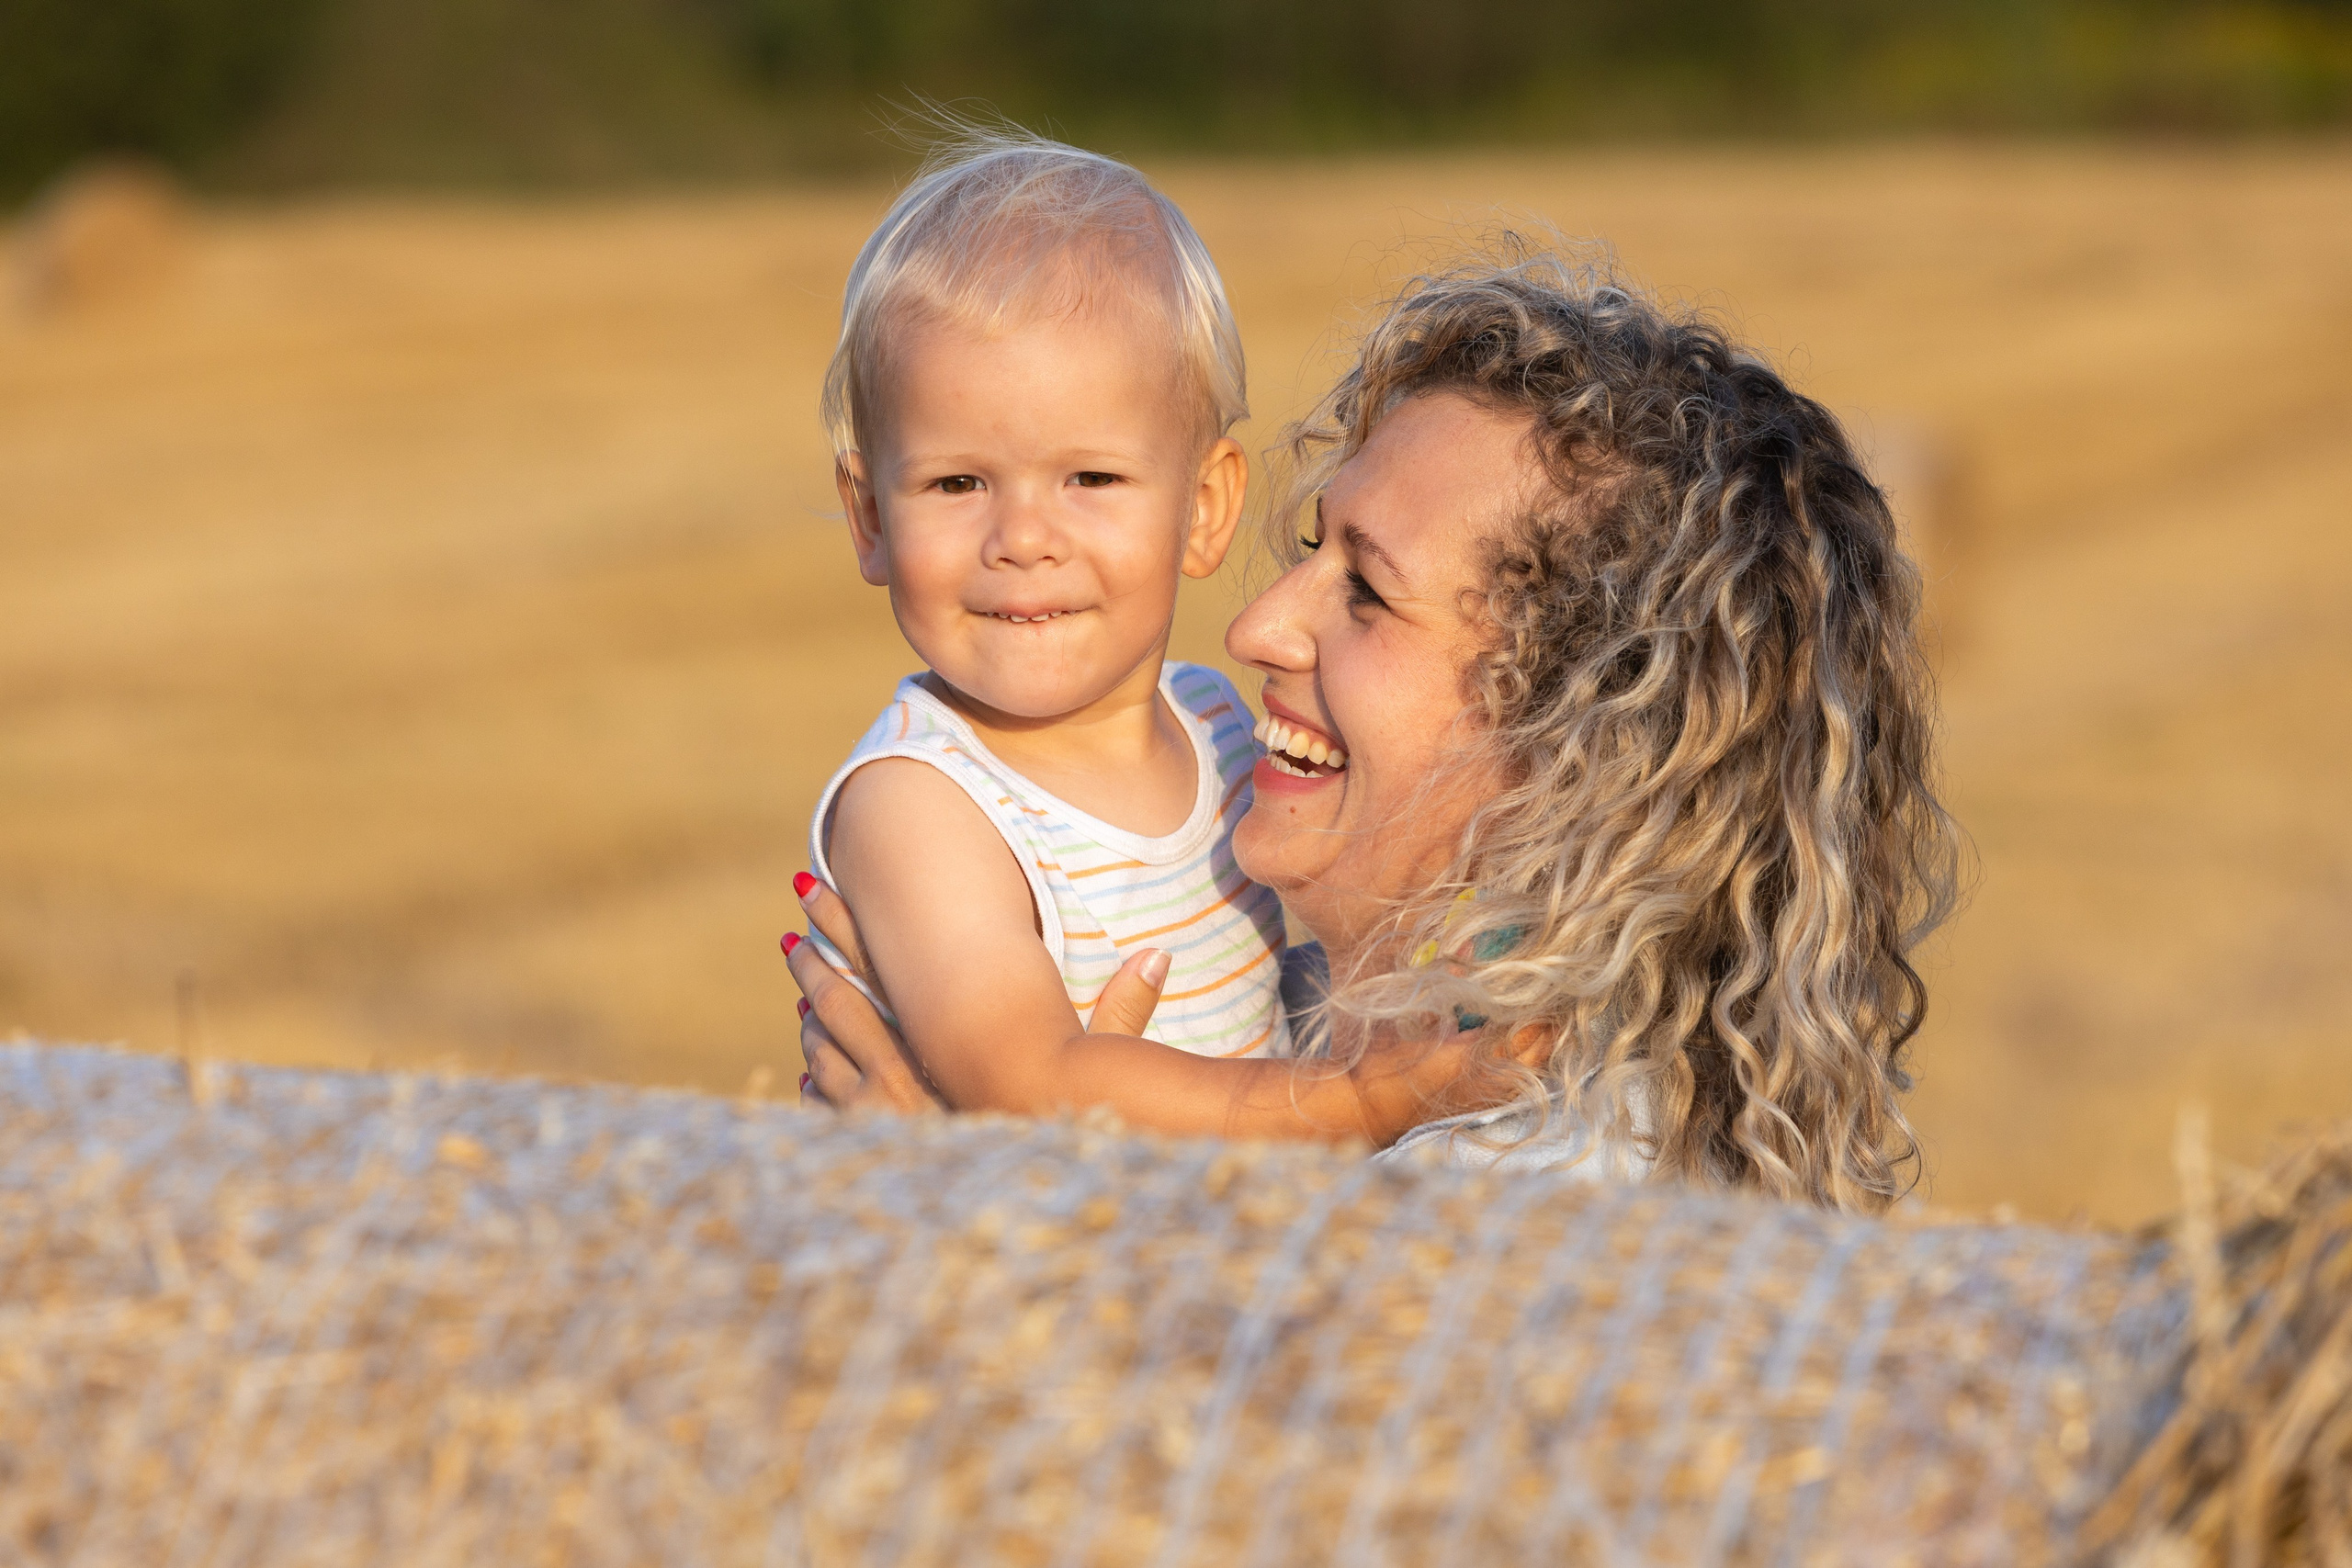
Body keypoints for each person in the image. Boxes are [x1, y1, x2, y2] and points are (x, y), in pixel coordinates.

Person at [787, 243, 1960, 1212]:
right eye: (1312, 550)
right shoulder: (1333, 1041)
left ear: (1582, 741)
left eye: (1366, 592)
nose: (1251, 628)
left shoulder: (1528, 1203)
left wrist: (965, 1229)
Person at [795, 124, 1301, 1118]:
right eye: (956, 482)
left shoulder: (1218, 723)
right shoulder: (920, 805)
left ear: (1201, 508)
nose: (1022, 538)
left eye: (1091, 477)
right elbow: (1032, 1087)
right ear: (869, 521)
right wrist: (1354, 1106)